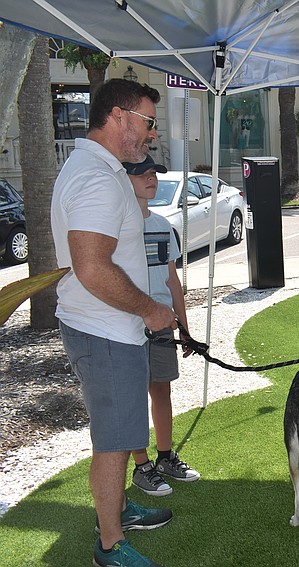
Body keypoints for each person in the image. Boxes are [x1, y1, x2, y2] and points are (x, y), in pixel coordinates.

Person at [51, 78, 177, 567]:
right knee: (114, 441)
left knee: (122, 433)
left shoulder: (96, 168)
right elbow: (92, 267)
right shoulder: (97, 177)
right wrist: (150, 309)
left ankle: (120, 509)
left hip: (106, 327)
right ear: (120, 116)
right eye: (147, 122)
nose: (150, 134)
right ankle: (109, 544)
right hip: (105, 331)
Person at [124, 155, 201, 498]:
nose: (151, 178)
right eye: (142, 172)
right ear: (125, 178)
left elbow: (172, 281)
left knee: (162, 391)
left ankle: (166, 457)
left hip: (162, 328)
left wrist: (184, 327)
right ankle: (142, 467)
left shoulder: (161, 226)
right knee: (133, 397)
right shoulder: (117, 228)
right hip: (127, 326)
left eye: (154, 172)